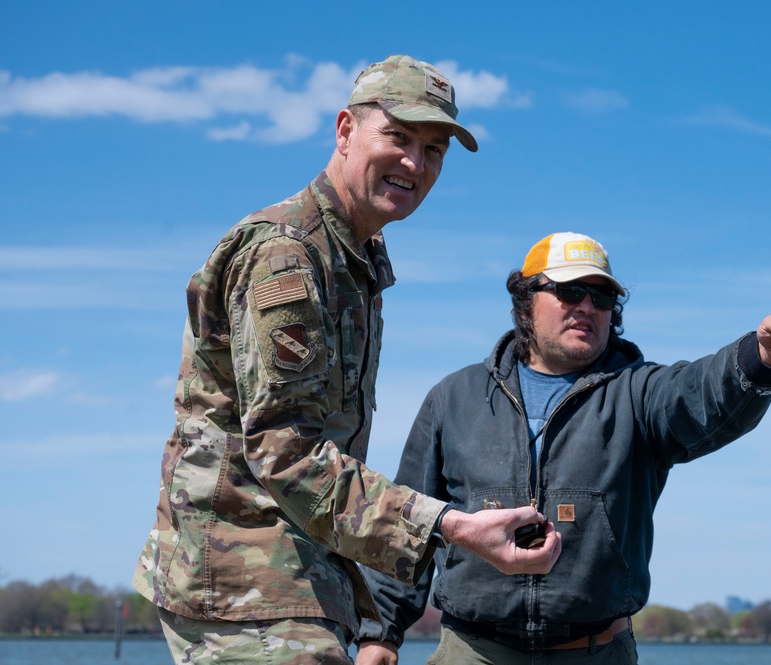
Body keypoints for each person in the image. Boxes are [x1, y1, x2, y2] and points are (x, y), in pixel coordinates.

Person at [131, 55, 561, 665]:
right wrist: (451, 527)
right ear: (344, 131)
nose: (416, 162)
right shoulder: (287, 256)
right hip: (242, 577)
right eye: (398, 136)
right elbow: (287, 453)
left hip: (300, 571)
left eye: (434, 149)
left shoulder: (356, 259)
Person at [356, 232, 771, 664]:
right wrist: (381, 634)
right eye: (569, 291)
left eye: (602, 295)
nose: (587, 305)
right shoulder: (452, 398)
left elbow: (700, 391)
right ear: (526, 302)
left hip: (598, 653)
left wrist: (758, 358)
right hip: (473, 651)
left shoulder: (641, 393)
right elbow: (409, 525)